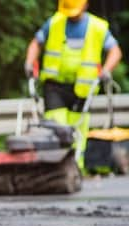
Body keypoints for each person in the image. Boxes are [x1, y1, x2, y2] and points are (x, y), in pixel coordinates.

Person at [25, 0, 122, 166]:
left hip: (83, 88)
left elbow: (115, 51)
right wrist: (29, 62)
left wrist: (106, 70)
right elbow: (36, 43)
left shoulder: (97, 27)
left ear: (85, 5)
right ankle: (53, 165)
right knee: (55, 125)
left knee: (78, 129)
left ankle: (76, 166)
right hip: (55, 86)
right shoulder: (55, 22)